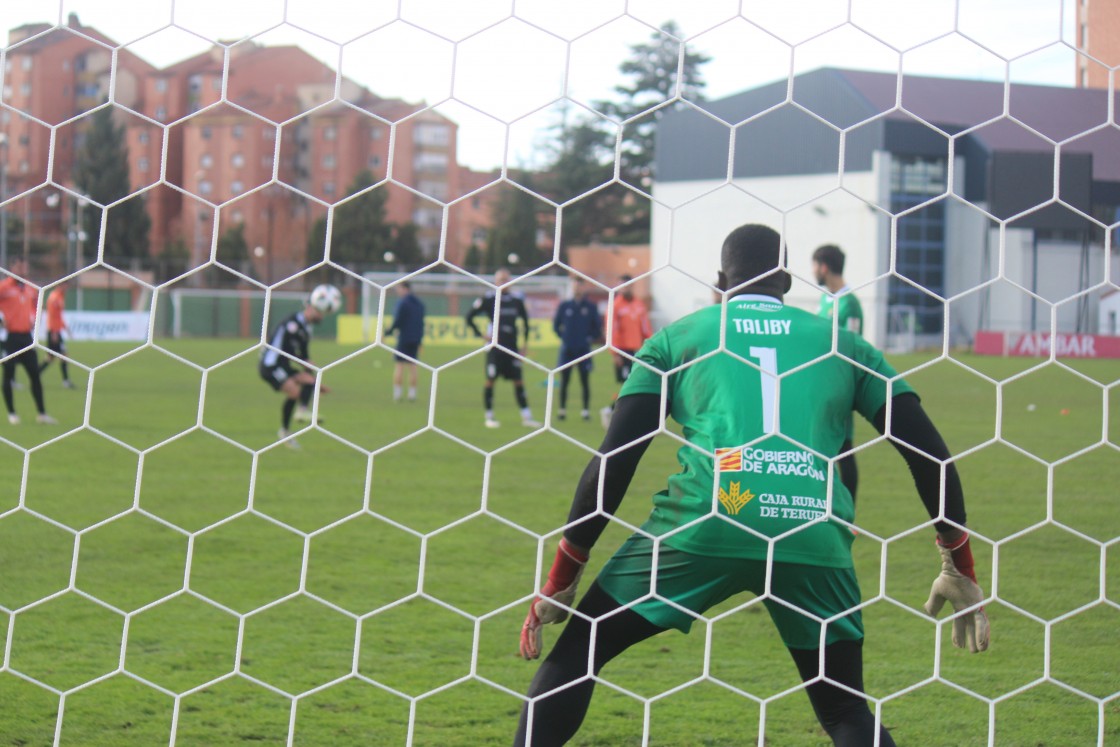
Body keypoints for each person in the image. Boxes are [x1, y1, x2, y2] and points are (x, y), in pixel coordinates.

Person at [515, 224, 989, 747]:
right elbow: (931, 456)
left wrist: (564, 574)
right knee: (845, 709)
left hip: (703, 523)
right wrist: (956, 562)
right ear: (786, 280)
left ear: (721, 281)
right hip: (810, 531)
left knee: (580, 652)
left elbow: (616, 458)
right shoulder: (844, 345)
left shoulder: (679, 337)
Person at [813, 244, 865, 503]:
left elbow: (852, 347)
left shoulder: (849, 305)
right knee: (822, 446)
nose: (812, 271)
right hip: (820, 385)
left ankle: (849, 517)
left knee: (844, 447)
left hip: (840, 386)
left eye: (814, 266)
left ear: (824, 267)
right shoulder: (826, 300)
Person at [259, 285, 339, 449]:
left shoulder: (306, 329)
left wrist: (315, 383)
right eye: (319, 311)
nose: (321, 316)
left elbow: (304, 356)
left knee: (310, 381)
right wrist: (304, 363)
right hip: (271, 365)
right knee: (295, 392)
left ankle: (288, 428)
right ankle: (295, 419)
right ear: (309, 308)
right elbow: (282, 347)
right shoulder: (292, 323)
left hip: (284, 364)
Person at [465, 267, 540, 429]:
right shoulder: (489, 299)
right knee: (491, 380)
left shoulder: (516, 300)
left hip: (512, 348)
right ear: (495, 282)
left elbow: (526, 323)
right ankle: (489, 416)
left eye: (506, 279)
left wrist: (525, 345)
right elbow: (469, 317)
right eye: (501, 279)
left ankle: (526, 416)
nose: (504, 283)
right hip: (495, 348)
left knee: (519, 381)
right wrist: (481, 335)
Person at [0, 257, 56, 425]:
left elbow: (35, 305)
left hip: (27, 338)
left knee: (35, 375)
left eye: (24, 267)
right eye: (18, 266)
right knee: (8, 375)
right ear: (11, 268)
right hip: (9, 338)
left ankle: (42, 413)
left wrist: (33, 316)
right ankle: (12, 413)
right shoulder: (4, 287)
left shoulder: (31, 288)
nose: (22, 270)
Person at [600, 274, 651, 427]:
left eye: (628, 285)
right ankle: (611, 410)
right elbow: (611, 331)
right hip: (622, 351)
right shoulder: (615, 306)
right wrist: (614, 353)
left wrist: (651, 344)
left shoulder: (639, 304)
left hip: (638, 351)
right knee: (629, 384)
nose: (625, 288)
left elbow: (645, 328)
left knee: (635, 383)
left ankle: (617, 412)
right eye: (622, 286)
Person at [552, 277, 601, 421]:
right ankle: (562, 410)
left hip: (583, 350)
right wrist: (564, 337)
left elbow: (597, 329)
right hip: (567, 350)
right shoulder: (565, 306)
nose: (577, 289)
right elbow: (556, 325)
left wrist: (588, 338)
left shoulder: (590, 307)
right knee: (565, 380)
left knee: (584, 380)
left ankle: (585, 411)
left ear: (583, 288)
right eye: (574, 286)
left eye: (579, 286)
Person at [386, 281, 426, 403]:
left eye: (399, 288)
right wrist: (419, 340)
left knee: (399, 366)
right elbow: (421, 323)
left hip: (404, 338)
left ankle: (397, 395)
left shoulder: (402, 303)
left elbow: (398, 321)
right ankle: (412, 395)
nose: (398, 291)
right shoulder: (419, 304)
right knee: (413, 367)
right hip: (415, 339)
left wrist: (387, 332)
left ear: (404, 288)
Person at [39, 280, 75, 388]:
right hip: (54, 332)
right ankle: (66, 381)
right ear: (60, 285)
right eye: (66, 286)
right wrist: (54, 332)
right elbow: (53, 316)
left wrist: (66, 328)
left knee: (50, 358)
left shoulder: (59, 296)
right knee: (63, 356)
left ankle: (35, 375)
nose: (67, 288)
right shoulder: (55, 297)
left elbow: (58, 317)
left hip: (55, 331)